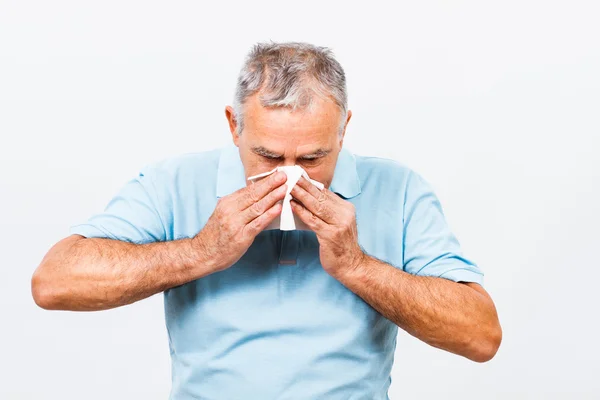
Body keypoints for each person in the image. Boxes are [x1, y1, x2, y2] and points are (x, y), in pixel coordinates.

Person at [32, 41, 502, 399]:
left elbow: (480, 336)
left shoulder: (398, 189)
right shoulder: (172, 181)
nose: (291, 175)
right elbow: (54, 283)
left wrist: (356, 265)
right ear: (234, 126)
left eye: (313, 157)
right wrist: (202, 251)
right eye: (268, 155)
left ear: (344, 130)